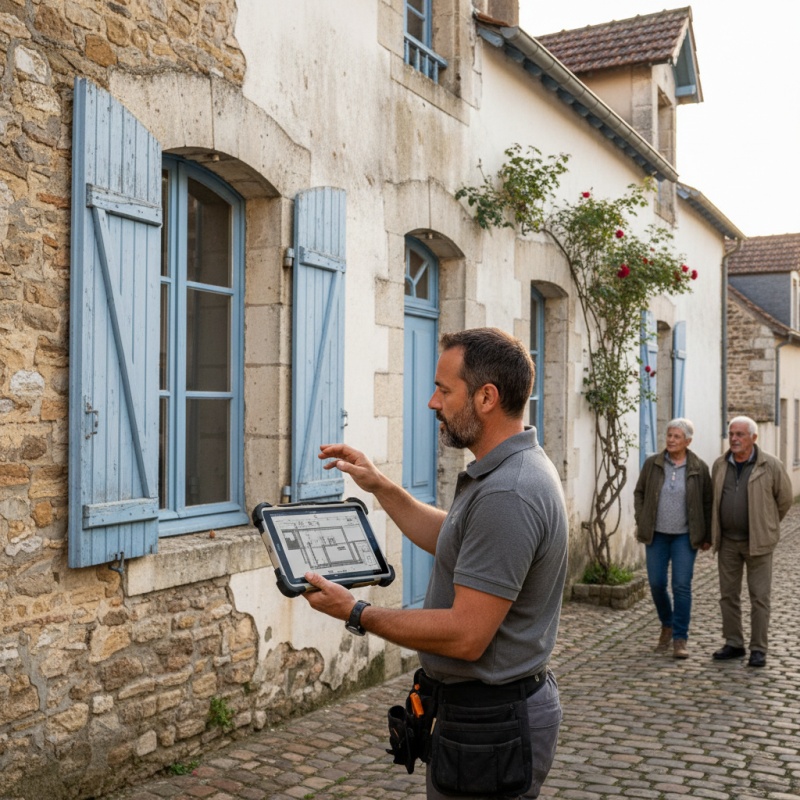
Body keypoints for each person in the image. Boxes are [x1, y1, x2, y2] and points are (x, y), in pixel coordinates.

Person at [302, 327, 568, 800]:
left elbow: (466, 635)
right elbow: (456, 539)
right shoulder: (510, 471)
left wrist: (356, 612)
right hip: (482, 714)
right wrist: (380, 486)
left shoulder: (509, 492)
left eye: (444, 390)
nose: (432, 402)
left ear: (486, 397)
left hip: (491, 722)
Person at [710, 415, 792, 668]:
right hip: (728, 543)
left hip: (758, 543)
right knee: (728, 596)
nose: (734, 439)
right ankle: (734, 643)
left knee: (759, 597)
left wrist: (765, 525)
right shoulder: (720, 464)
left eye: (740, 434)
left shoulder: (771, 465)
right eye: (731, 434)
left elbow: (784, 500)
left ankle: (758, 648)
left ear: (754, 438)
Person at [633, 418, 712, 659]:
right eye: (669, 435)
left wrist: (707, 535)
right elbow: (640, 492)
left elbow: (707, 502)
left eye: (677, 436)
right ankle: (667, 623)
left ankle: (680, 638)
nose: (671, 440)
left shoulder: (699, 467)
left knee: (681, 585)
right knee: (656, 583)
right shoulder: (653, 464)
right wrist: (641, 518)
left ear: (688, 441)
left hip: (685, 537)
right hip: (656, 534)